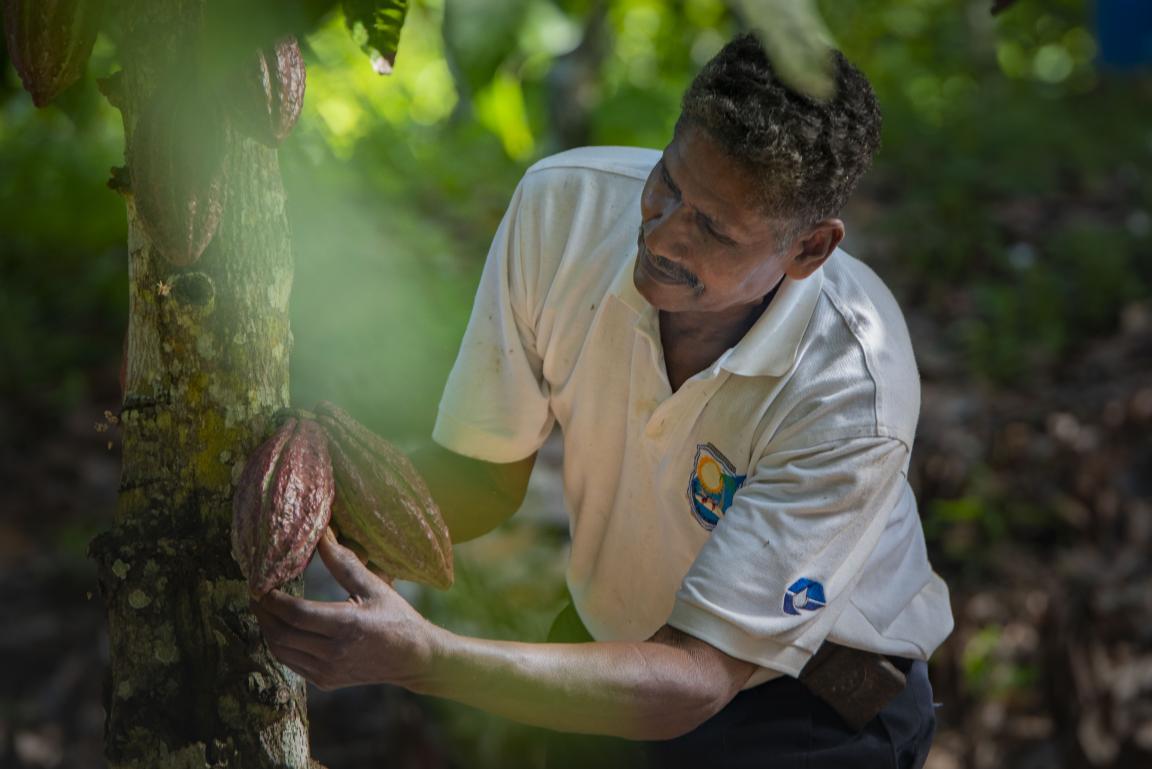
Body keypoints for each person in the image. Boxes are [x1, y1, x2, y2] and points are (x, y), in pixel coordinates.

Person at [252, 33, 954, 769]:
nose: (663, 235)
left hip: (805, 705)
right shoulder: (564, 214)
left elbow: (698, 677)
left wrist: (425, 657)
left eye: (713, 228)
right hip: (615, 649)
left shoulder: (850, 387)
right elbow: (486, 479)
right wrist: (309, 496)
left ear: (811, 248)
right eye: (670, 183)